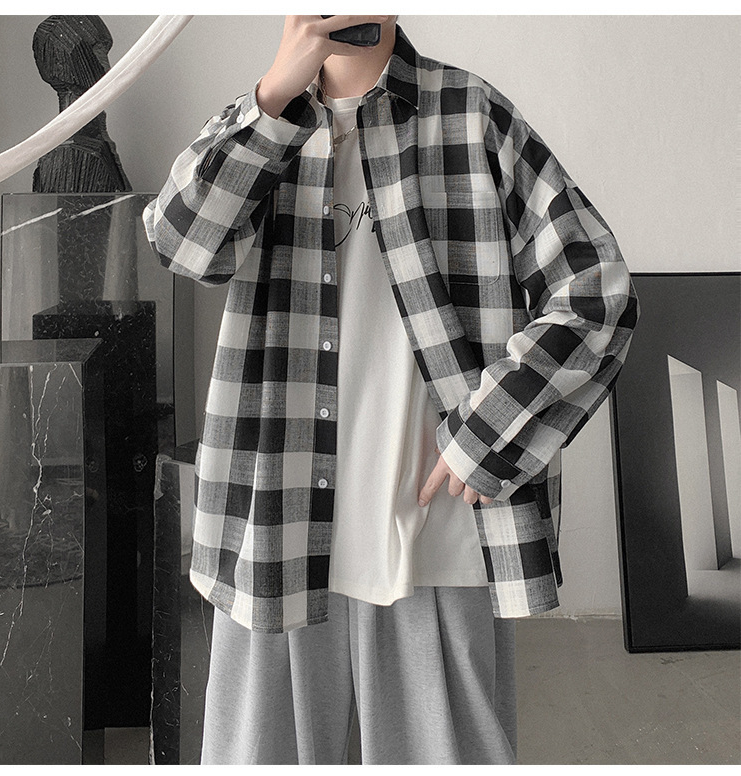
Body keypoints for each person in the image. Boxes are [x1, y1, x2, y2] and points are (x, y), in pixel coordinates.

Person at [143, 15, 640, 765]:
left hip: (431, 535)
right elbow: (182, 247)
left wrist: (487, 437)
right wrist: (273, 98)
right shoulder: (254, 127)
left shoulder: (470, 115)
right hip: (275, 532)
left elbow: (598, 292)